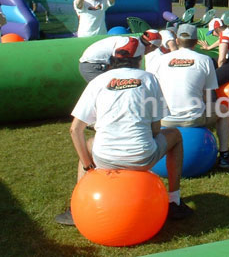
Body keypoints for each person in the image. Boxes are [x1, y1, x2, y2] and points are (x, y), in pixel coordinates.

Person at [55, 36, 193, 226]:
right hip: (141, 157)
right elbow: (155, 127)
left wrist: (89, 166)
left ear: (113, 58)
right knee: (175, 135)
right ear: (139, 59)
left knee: (88, 144)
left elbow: (75, 130)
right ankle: (174, 201)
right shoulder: (149, 79)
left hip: (104, 158)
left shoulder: (98, 81)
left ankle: (76, 206)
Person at [151, 24, 229, 168]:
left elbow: (154, 89)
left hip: (163, 119)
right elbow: (207, 93)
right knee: (223, 109)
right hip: (193, 118)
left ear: (177, 41)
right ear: (196, 41)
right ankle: (224, 155)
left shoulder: (160, 60)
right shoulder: (205, 60)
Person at [78, 30, 162, 82]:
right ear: (151, 46)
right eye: (154, 49)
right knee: (109, 91)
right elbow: (117, 64)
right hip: (93, 65)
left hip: (96, 64)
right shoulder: (132, 45)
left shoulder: (136, 44)